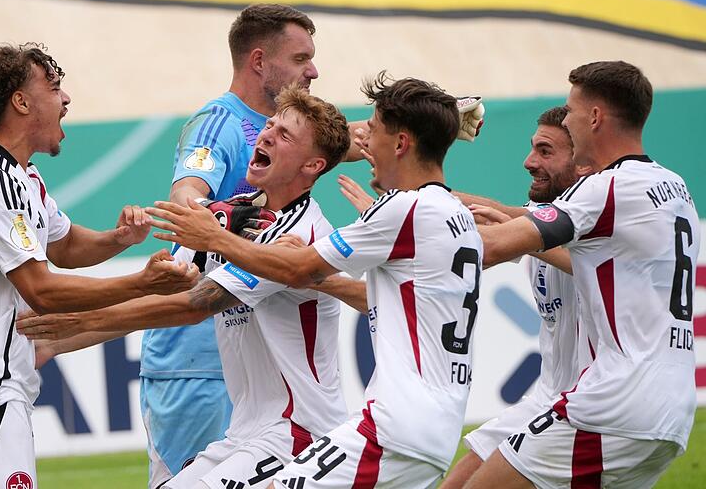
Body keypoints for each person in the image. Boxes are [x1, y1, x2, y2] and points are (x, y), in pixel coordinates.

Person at [147, 74, 484, 488]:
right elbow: (335, 280)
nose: (365, 145)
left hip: (384, 426)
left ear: (401, 143)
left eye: (373, 132)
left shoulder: (399, 211)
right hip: (423, 422)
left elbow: (294, 268)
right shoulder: (450, 213)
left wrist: (215, 237)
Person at [17, 85, 351, 488]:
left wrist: (77, 320)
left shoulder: (297, 234)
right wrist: (57, 342)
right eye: (269, 125)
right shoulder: (234, 217)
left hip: (298, 434)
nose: (266, 135)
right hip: (248, 431)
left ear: (313, 165)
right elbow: (165, 292)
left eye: (284, 135)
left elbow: (196, 305)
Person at [0, 43, 198, 489]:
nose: (66, 98)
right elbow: (42, 290)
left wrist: (119, 238)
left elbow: (65, 245)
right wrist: (143, 283)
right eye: (53, 88)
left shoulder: (23, 175)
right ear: (21, 101)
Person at [465, 61, 699, 488]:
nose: (568, 121)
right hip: (672, 402)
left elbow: (494, 246)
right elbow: (524, 218)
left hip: (615, 401)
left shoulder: (606, 188)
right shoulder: (674, 186)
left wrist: (407, 224)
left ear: (594, 117)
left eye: (571, 112)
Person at [142, 3, 323, 489]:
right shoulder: (217, 123)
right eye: (301, 58)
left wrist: (436, 119)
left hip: (248, 365)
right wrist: (214, 214)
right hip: (195, 362)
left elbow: (344, 140)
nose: (313, 71)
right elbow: (185, 195)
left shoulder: (279, 130)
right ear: (259, 61)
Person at [440, 106, 595, 489]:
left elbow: (585, 263)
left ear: (582, 162)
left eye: (545, 151)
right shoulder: (542, 217)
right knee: (456, 483)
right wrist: (411, 196)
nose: (528, 162)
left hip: (591, 403)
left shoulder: (601, 218)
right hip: (548, 396)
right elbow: (495, 215)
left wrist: (523, 236)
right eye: (532, 148)